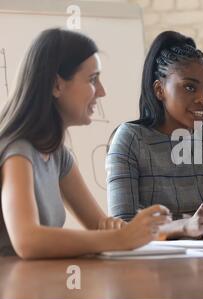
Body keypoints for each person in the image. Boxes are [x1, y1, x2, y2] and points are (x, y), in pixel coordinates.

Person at [0, 28, 170, 259]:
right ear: (56, 85)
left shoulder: (57, 154)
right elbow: (27, 241)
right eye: (92, 79)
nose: (102, 91)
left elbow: (100, 225)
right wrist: (121, 238)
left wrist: (132, 231)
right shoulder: (18, 152)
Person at [107, 31, 203, 240]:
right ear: (159, 90)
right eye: (190, 87)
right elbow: (122, 226)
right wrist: (184, 226)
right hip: (148, 267)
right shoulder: (131, 139)